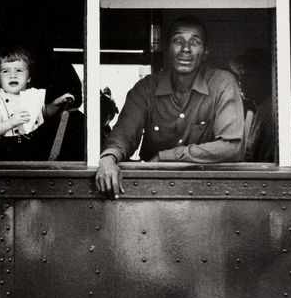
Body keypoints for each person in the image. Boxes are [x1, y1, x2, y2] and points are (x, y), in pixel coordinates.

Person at [96, 16, 245, 197]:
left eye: (195, 42)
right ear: (168, 48)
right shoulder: (145, 88)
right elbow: (122, 136)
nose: (186, 49)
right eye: (178, 41)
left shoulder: (222, 84)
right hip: (153, 191)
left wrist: (166, 157)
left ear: (205, 52)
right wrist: (108, 159)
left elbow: (232, 146)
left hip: (208, 191)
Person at [0, 46, 74, 160]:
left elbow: (43, 114)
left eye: (19, 70)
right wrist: (11, 122)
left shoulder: (32, 95)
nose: (12, 75)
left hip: (32, 147)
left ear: (28, 77)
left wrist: (56, 103)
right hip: (6, 150)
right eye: (5, 71)